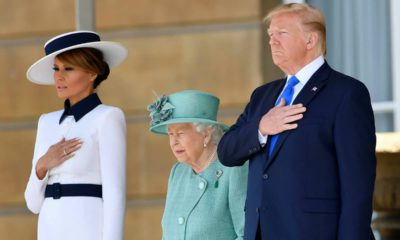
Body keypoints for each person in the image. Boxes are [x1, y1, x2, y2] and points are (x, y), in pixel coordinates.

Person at [217, 3, 376, 240]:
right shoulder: (263, 96)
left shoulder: (347, 93)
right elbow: (226, 151)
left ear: (310, 41)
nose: (272, 41)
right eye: (270, 35)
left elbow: (357, 189)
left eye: (281, 33)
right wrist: (261, 127)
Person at [24, 31, 128, 240]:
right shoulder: (46, 122)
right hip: (49, 229)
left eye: (68, 68)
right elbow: (32, 204)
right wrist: (43, 164)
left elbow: (115, 195)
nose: (58, 76)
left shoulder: (108, 117)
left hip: (88, 228)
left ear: (92, 73)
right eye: (56, 68)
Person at [147, 90, 248, 240]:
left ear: (206, 134)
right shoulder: (178, 172)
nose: (174, 142)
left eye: (180, 133)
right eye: (170, 134)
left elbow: (246, 233)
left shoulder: (233, 168)